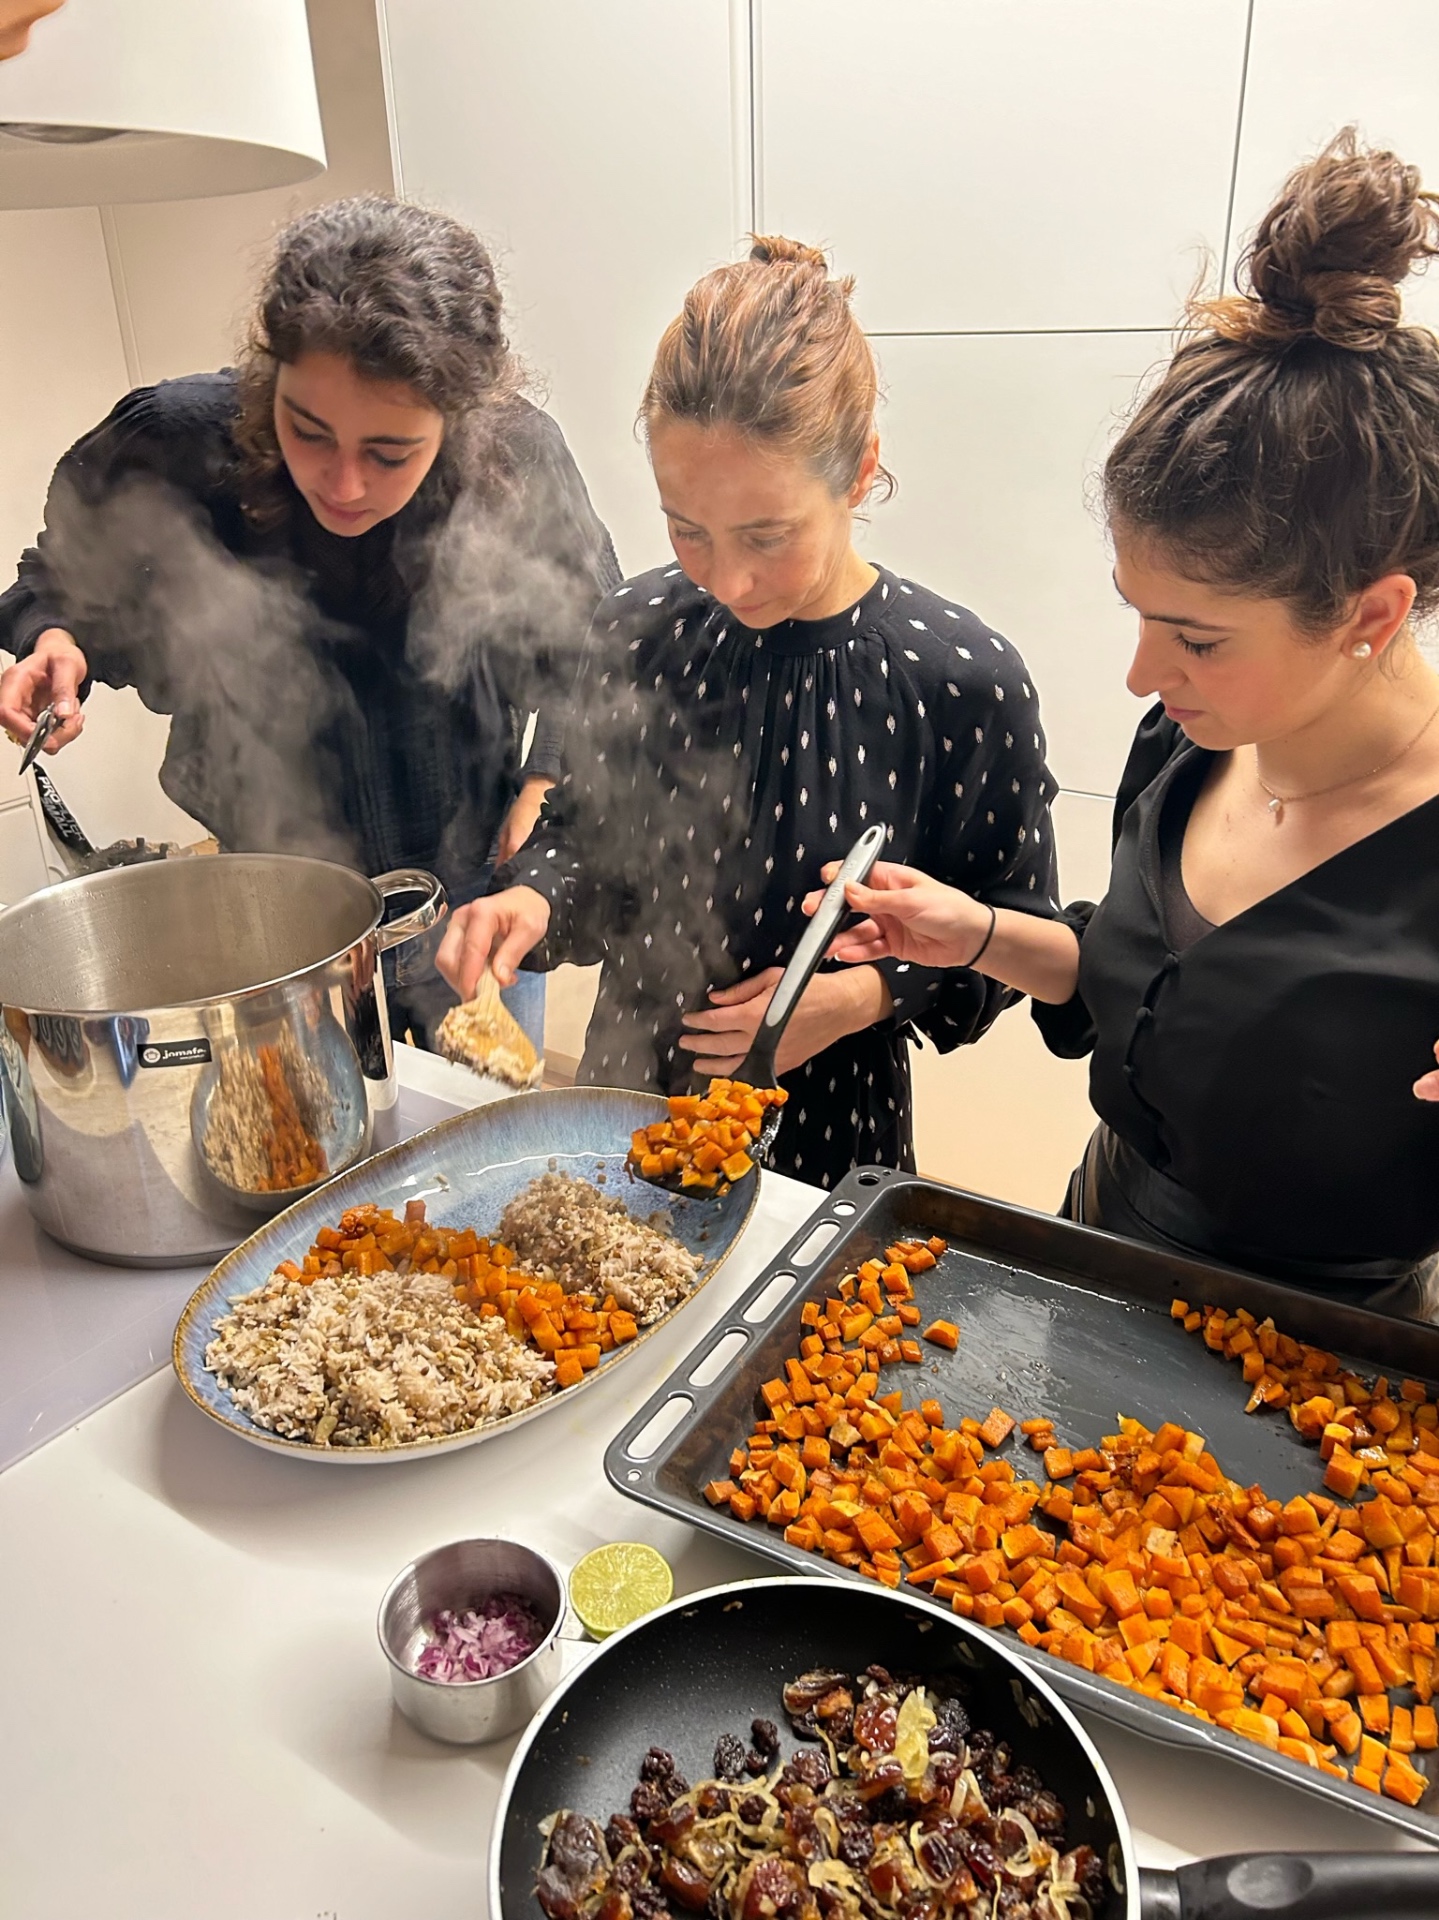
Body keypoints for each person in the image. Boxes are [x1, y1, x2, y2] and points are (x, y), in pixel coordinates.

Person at [815, 133, 1439, 1303]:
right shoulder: (1194, 742)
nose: (1141, 675)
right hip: (1093, 1252)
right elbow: (1148, 987)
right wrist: (981, 934)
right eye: (1136, 615)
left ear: (1369, 614)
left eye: (1195, 638)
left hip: (1329, 1372)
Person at [436, 237, 1058, 1189]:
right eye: (686, 528)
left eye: (767, 536)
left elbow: (1009, 939)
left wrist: (853, 998)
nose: (727, 579)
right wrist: (532, 899)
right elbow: (585, 846)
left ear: (859, 474)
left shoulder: (960, 681)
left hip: (826, 1144)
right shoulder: (637, 627)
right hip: (623, 1110)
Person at [0, 195, 618, 1049]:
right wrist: (55, 639)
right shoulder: (180, 440)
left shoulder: (518, 457)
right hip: (269, 924)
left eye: (389, 453)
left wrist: (545, 782)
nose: (344, 484)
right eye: (308, 429)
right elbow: (66, 572)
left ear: (459, 418)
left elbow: (597, 651)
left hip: (466, 908)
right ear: (270, 377)